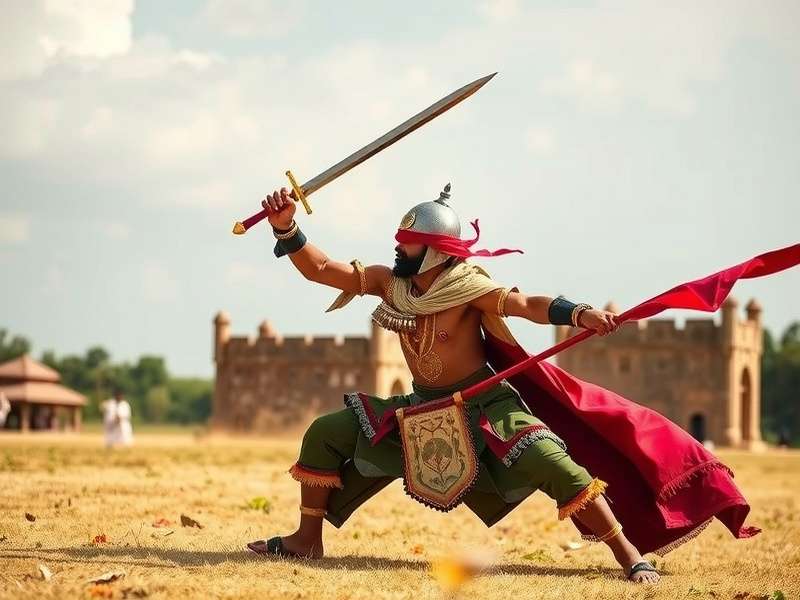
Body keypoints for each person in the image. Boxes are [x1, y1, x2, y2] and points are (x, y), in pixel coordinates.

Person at [245, 184, 667, 583]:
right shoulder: (387, 284)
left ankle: (629, 555)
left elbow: (525, 304)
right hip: (422, 404)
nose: (397, 246)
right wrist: (286, 226)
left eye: (407, 239)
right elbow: (321, 269)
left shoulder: (469, 288)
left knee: (554, 463)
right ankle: (306, 541)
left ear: (434, 250)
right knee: (325, 433)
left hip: (485, 403)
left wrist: (579, 313)